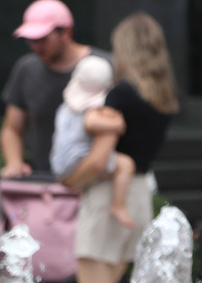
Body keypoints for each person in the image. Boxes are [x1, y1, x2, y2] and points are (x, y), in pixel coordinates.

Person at [60, 13, 177, 283]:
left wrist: (67, 181)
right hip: (138, 196)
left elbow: (96, 160)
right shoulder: (161, 96)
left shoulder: (121, 95)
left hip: (106, 198)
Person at [0, 1, 109, 180]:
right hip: (44, 183)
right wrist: (14, 163)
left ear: (66, 32)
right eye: (31, 41)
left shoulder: (102, 68)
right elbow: (12, 128)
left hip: (97, 182)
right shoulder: (26, 69)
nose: (36, 46)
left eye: (43, 39)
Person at [49, 54, 137, 228]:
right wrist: (117, 124)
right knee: (126, 164)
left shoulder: (64, 108)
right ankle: (118, 205)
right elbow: (91, 123)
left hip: (59, 163)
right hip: (77, 159)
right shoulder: (93, 109)